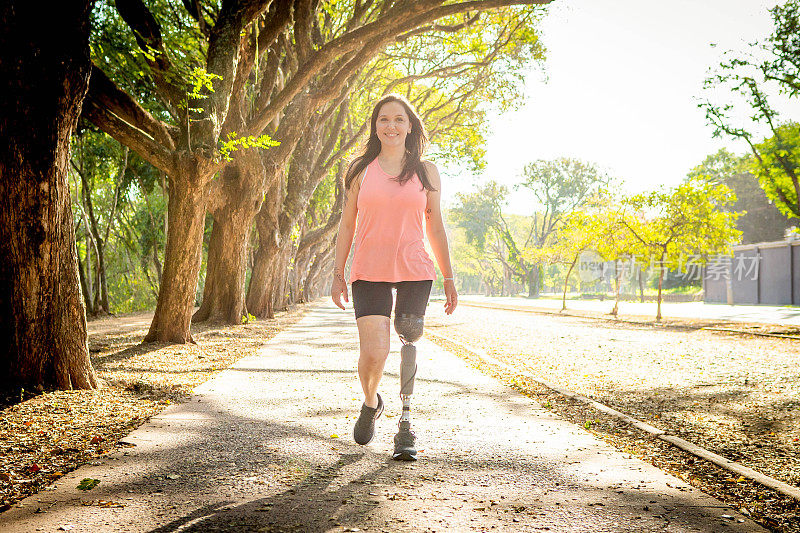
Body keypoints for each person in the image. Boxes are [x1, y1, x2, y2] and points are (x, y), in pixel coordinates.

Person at [331, 93, 457, 461]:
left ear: (410, 126)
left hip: (415, 269)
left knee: (409, 335)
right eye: (383, 119)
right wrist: (338, 274)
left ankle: (405, 426)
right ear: (375, 126)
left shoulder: (426, 171)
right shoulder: (359, 170)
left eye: (399, 119)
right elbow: (347, 225)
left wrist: (448, 277)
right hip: (368, 270)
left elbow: (436, 226)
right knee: (374, 354)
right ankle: (372, 402)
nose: (391, 125)